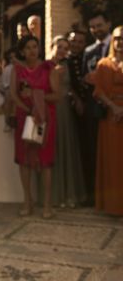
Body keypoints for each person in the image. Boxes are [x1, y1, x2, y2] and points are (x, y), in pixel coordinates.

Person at [10, 35, 60, 219]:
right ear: (22, 51)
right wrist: (28, 108)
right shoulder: (18, 69)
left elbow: (57, 95)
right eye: (28, 47)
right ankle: (27, 201)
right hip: (25, 117)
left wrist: (36, 96)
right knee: (24, 161)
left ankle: (47, 204)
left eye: (35, 46)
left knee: (46, 161)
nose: (32, 50)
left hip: (45, 119)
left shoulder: (49, 68)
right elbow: (13, 95)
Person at [49, 35, 86, 208]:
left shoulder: (68, 64)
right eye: (60, 47)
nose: (63, 50)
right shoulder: (46, 65)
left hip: (66, 110)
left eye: (65, 47)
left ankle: (69, 194)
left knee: (67, 147)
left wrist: (76, 98)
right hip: (51, 108)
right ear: (52, 46)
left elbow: (71, 86)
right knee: (54, 147)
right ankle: (55, 194)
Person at [81, 12, 112, 204]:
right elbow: (85, 77)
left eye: (99, 25)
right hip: (95, 108)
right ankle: (96, 196)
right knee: (94, 152)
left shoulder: (117, 46)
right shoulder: (89, 51)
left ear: (108, 23)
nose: (96, 30)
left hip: (116, 106)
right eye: (93, 27)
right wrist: (87, 79)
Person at [92, 25, 123, 216]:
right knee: (112, 163)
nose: (121, 42)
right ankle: (113, 206)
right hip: (111, 121)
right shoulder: (103, 64)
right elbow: (98, 91)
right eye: (118, 38)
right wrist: (115, 108)